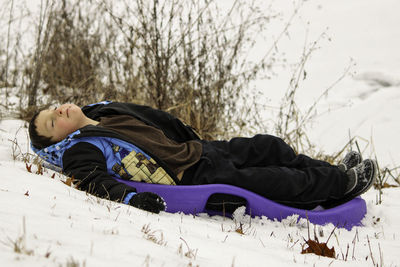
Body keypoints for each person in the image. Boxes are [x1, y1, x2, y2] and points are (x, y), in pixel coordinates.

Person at [28, 101, 377, 214]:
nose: (57, 111)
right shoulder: (79, 149)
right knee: (271, 180)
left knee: (269, 146)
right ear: (56, 140)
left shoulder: (102, 110)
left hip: (200, 150)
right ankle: (337, 186)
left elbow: (156, 118)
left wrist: (188, 133)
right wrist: (133, 198)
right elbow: (92, 180)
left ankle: (331, 171)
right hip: (189, 176)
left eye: (52, 109)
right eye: (51, 121)